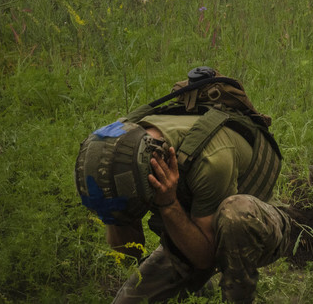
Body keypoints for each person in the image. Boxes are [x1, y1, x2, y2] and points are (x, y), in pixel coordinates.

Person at [76, 68, 298, 304]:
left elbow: (205, 257)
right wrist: (114, 212)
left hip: (260, 224)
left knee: (236, 213)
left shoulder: (212, 157)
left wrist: (168, 202)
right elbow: (131, 250)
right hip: (193, 223)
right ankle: (198, 288)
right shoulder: (119, 151)